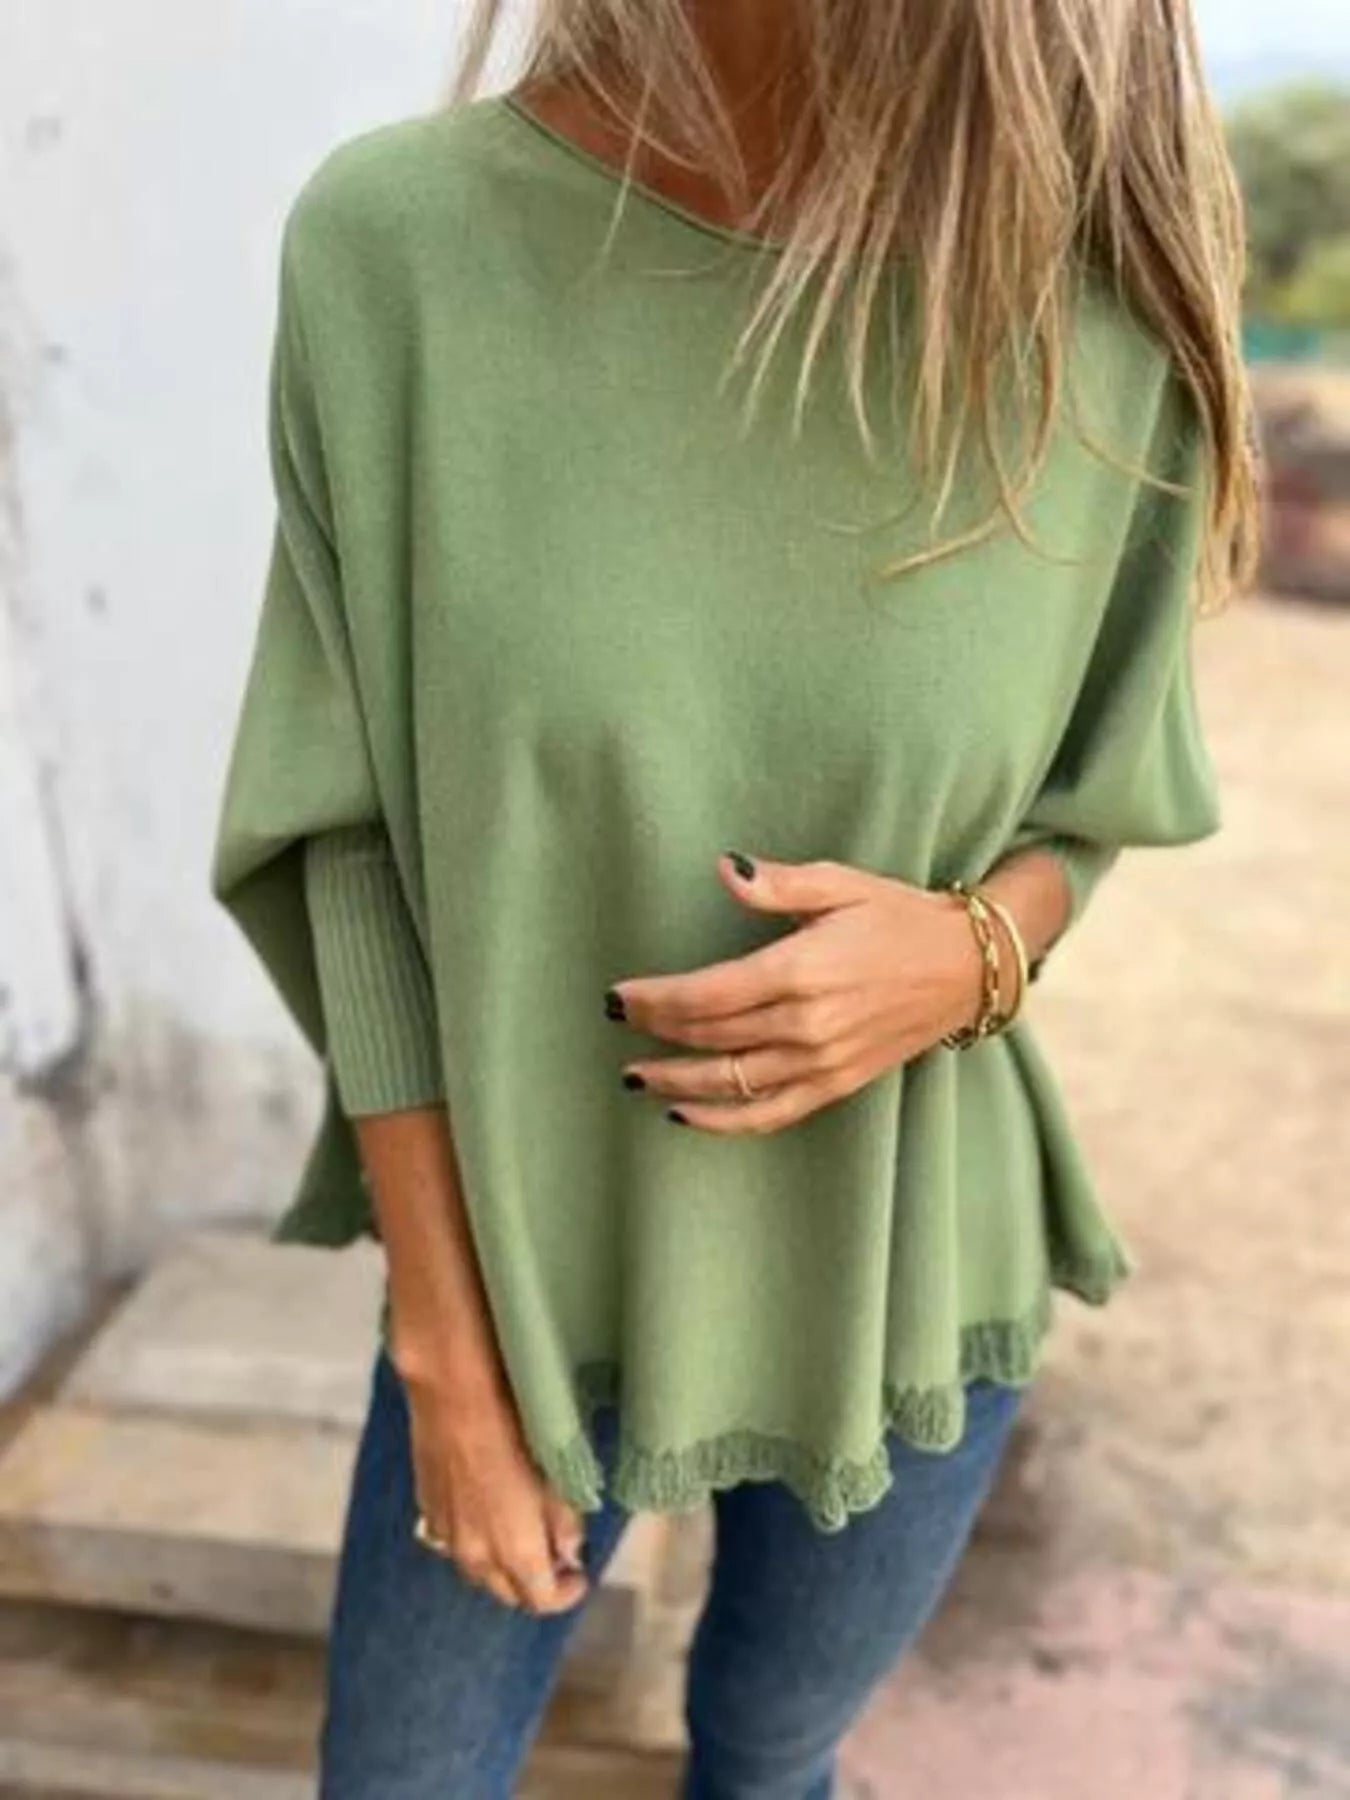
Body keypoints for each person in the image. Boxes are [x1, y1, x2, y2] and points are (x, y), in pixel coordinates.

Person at [208, 2, 1259, 1794]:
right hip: (519, 1275)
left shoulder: (1094, 322)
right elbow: (352, 835)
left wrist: (972, 953)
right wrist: (441, 1348)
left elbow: (1089, 809)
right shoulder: (403, 250)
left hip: (907, 1267)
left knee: (770, 1766)